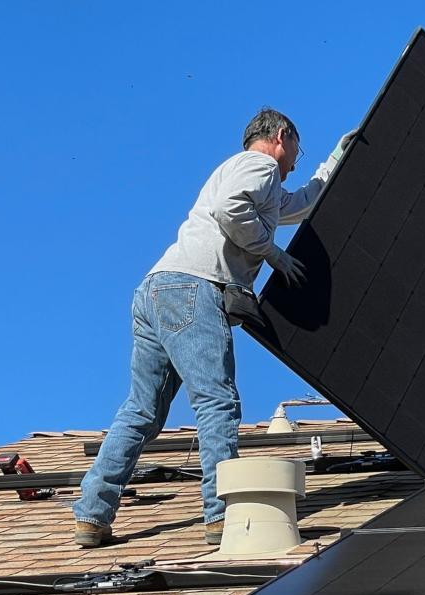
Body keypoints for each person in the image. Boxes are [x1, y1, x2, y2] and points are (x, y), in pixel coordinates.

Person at [72, 108, 356, 547]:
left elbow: (298, 205)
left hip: (156, 290)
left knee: (141, 411)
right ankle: (222, 516)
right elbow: (230, 210)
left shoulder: (247, 175)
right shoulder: (259, 166)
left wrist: (336, 159)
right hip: (194, 288)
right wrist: (273, 255)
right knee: (216, 401)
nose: (298, 158)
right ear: (282, 136)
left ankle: (92, 514)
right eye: (299, 147)